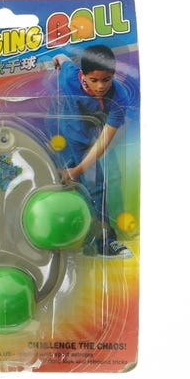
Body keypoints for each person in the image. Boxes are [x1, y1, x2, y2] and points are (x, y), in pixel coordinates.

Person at [50, 44, 132, 258]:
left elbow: (104, 140)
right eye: (93, 80)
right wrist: (58, 57)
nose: (100, 86)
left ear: (113, 74)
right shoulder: (69, 78)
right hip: (71, 129)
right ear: (83, 74)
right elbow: (63, 60)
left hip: (93, 131)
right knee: (94, 184)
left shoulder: (119, 96)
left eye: (106, 79)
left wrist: (77, 170)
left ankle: (90, 241)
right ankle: (102, 242)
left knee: (84, 180)